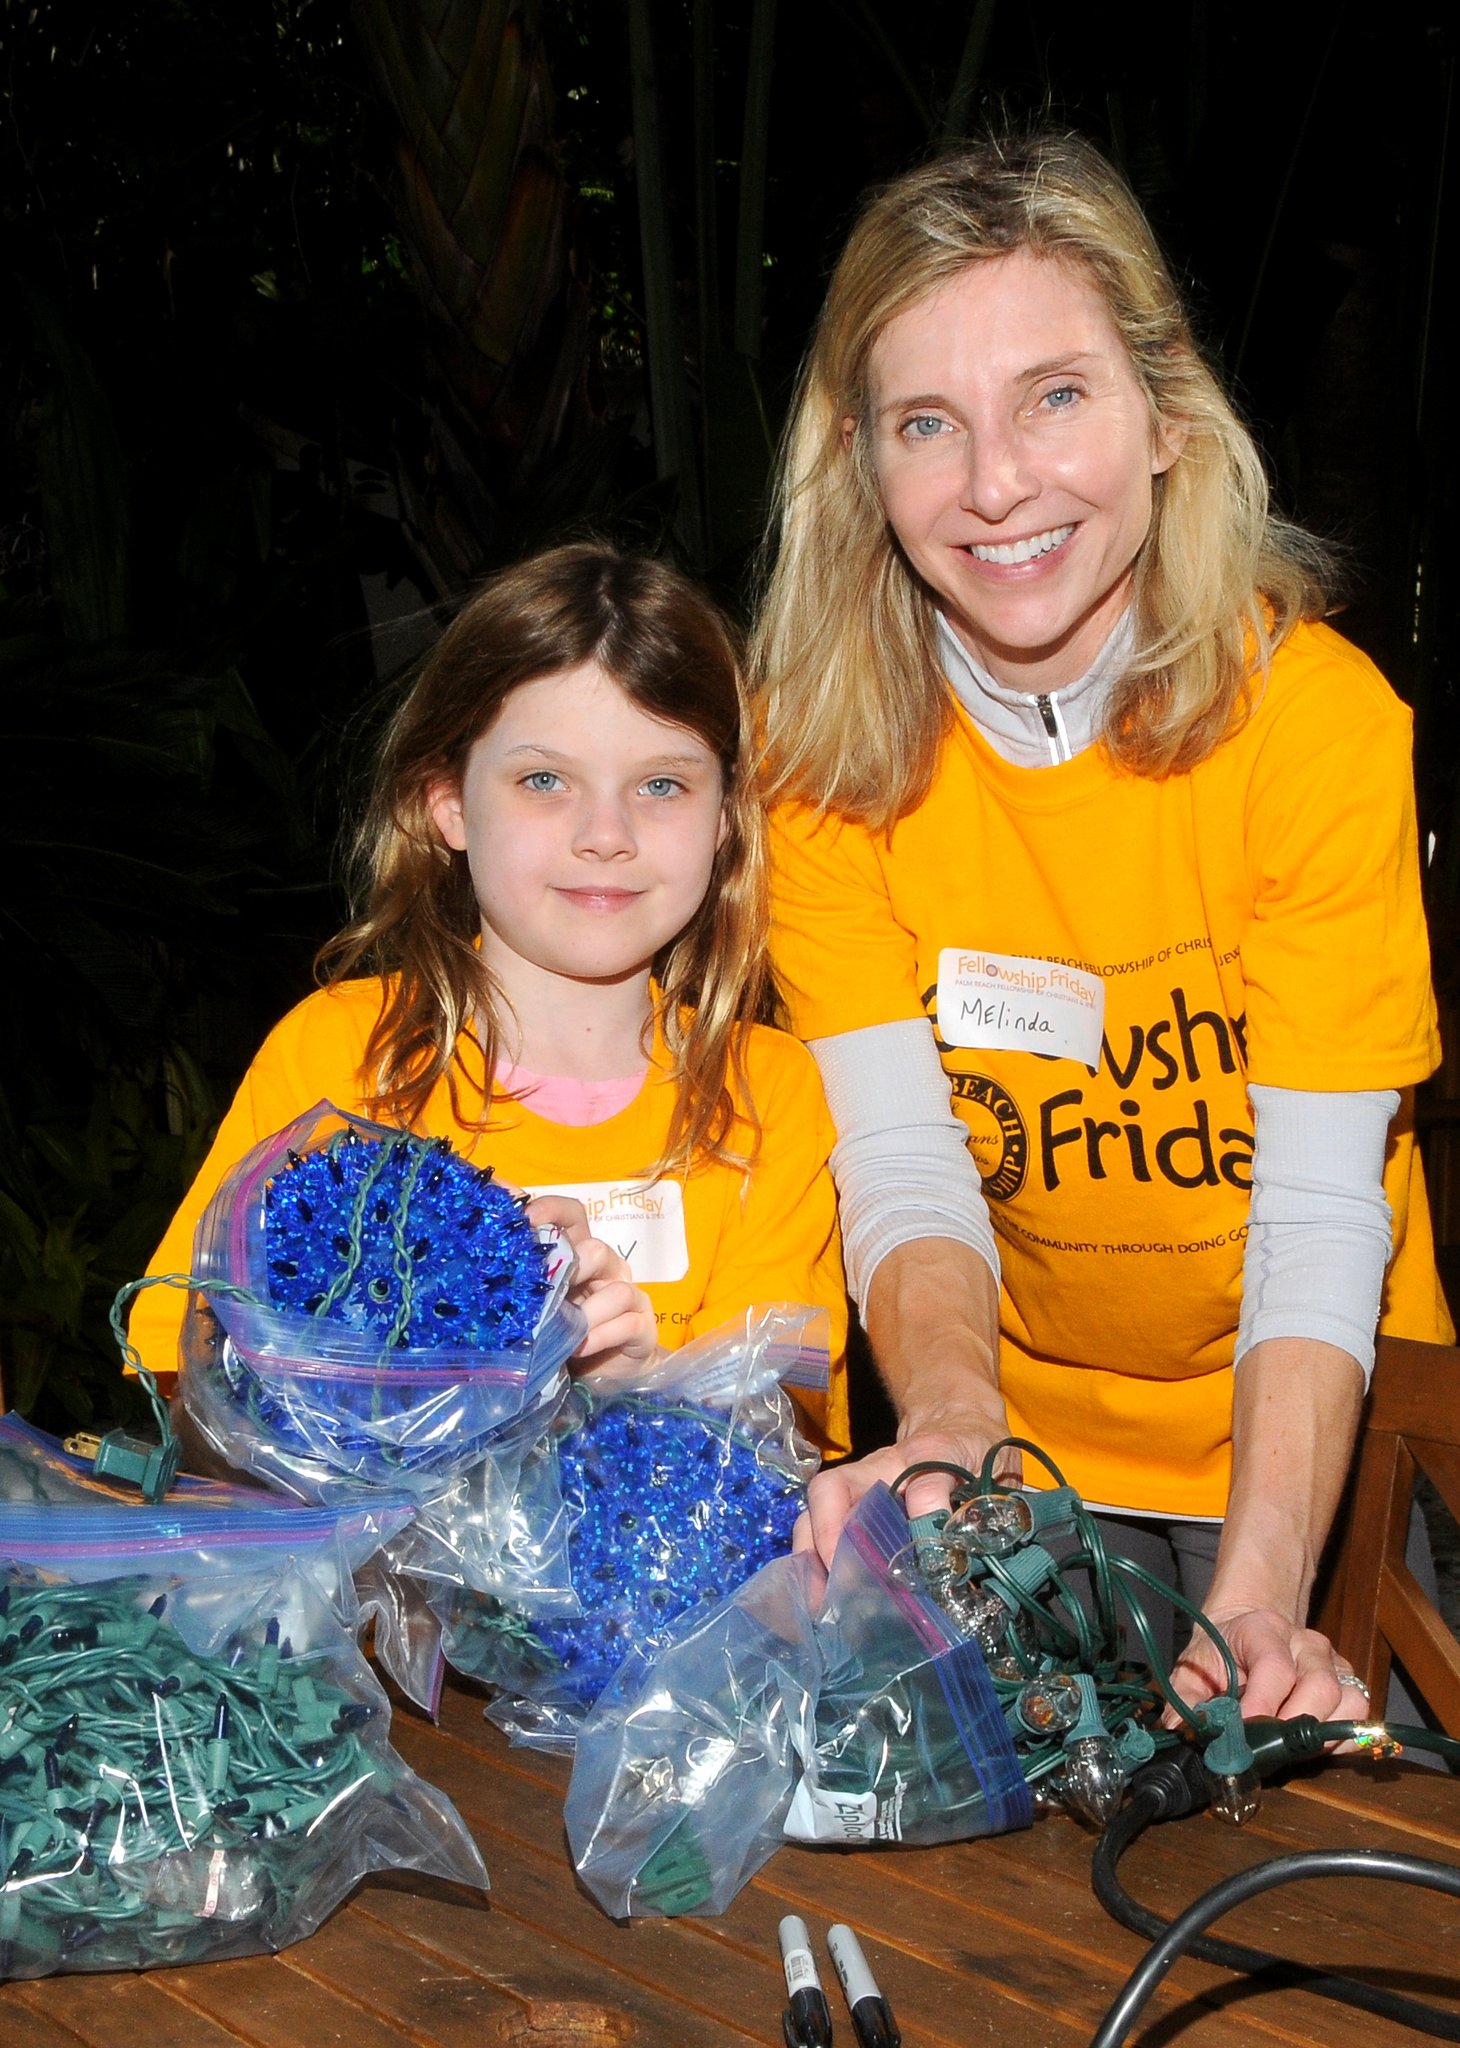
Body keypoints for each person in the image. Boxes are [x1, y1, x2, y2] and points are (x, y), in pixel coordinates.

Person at [756, 131, 1451, 1717]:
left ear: (1166, 416)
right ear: (859, 462)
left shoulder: (1318, 729)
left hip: (1322, 1445)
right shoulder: (820, 762)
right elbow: (901, 1158)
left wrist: (1261, 1593)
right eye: (927, 423)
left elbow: (1319, 1214)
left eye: (1055, 396)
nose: (997, 484)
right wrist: (955, 1426)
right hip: (1031, 1460)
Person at [136, 542, 849, 1454]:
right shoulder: (341, 1057)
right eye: (544, 780)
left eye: (662, 784)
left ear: (725, 818)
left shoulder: (766, 1090)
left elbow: (783, 1440)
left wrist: (645, 1385)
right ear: (448, 803)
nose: (606, 834)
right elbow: (189, 1402)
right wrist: (375, 1392)